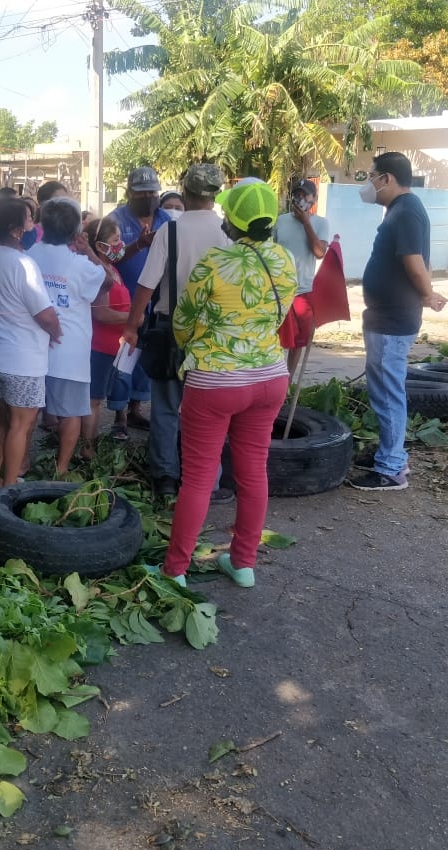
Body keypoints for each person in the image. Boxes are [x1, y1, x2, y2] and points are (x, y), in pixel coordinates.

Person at [156, 181, 297, 589]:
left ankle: (176, 571)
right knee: (253, 473)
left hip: (215, 381)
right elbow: (280, 314)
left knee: (199, 478)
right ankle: (243, 563)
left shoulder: (214, 262)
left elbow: (182, 322)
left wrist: (200, 346)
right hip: (270, 377)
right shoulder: (284, 260)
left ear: (230, 220)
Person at [123, 164, 229, 497]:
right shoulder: (229, 233)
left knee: (167, 408)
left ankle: (166, 479)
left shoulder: (169, 232)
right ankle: (207, 481)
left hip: (172, 332)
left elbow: (145, 286)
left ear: (185, 192)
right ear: (215, 195)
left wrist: (131, 325)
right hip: (215, 333)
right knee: (211, 410)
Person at [345, 152, 448, 492]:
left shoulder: (406, 212)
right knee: (385, 391)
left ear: (386, 178)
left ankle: (390, 468)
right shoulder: (403, 210)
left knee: (388, 394)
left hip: (392, 320)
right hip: (386, 316)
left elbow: (414, 261)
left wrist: (428, 293)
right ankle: (393, 455)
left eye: (372, 175)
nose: (369, 182)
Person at [0, 196, 63, 491]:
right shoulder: (23, 263)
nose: (32, 226)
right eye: (28, 220)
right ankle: (9, 489)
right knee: (21, 425)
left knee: (1, 421)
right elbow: (45, 314)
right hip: (22, 359)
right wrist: (56, 331)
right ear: (15, 228)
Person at [27, 197, 111, 475]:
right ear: (77, 230)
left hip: (32, 348)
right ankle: (61, 469)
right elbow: (107, 280)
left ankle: (20, 464)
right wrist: (88, 251)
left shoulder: (29, 255)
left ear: (42, 225)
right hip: (69, 351)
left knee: (25, 415)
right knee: (70, 414)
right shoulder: (81, 265)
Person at [111, 166, 173, 429]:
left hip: (157, 303)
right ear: (129, 193)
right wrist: (138, 245)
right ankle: (119, 415)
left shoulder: (167, 220)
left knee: (145, 361)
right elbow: (110, 258)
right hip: (125, 302)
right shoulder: (115, 221)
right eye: (141, 193)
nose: (148, 197)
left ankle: (136, 409)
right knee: (123, 361)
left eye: (152, 192)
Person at [83, 215, 133, 450]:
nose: (120, 244)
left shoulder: (111, 268)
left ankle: (89, 446)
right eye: (116, 239)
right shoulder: (98, 271)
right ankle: (87, 448)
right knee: (93, 401)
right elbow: (101, 314)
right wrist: (134, 318)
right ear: (101, 245)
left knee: (97, 400)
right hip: (99, 346)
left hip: (113, 346)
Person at [274, 179, 331, 376]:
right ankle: (275, 375)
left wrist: (306, 222)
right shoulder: (280, 221)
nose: (300, 199)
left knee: (298, 341)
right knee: (275, 338)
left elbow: (319, 252)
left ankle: (288, 381)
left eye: (305, 195)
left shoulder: (321, 223)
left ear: (314, 199)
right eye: (297, 194)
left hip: (303, 291)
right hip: (277, 291)